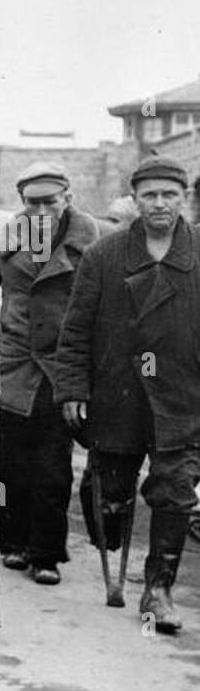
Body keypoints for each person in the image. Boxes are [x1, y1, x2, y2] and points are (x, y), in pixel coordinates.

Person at [55, 156, 200, 634]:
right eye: (150, 195)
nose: (160, 204)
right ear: (135, 200)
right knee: (109, 493)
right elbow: (74, 331)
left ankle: (158, 590)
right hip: (118, 392)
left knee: (175, 491)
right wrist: (73, 387)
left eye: (170, 195)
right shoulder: (105, 255)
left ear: (184, 199)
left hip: (182, 396)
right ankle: (108, 513)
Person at [0, 161, 99, 586]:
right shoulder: (4, 238)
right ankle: (11, 542)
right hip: (13, 364)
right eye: (31, 203)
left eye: (49, 202)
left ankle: (46, 552)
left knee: (53, 467)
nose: (40, 211)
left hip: (61, 367)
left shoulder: (90, 240)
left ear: (67, 199)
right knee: (10, 465)